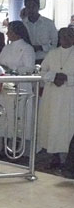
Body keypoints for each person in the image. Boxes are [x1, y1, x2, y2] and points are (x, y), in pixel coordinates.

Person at [38, 27, 74, 169]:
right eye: (63, 36)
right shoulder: (52, 53)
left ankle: (68, 158)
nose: (66, 38)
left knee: (67, 126)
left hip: (69, 97)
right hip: (52, 96)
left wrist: (67, 78)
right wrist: (53, 77)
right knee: (53, 124)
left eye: (70, 35)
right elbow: (41, 71)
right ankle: (55, 155)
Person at [22, 0, 58, 64]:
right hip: (26, 60)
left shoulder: (48, 23)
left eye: (33, 6)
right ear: (25, 8)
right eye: (28, 7)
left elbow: (55, 43)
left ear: (38, 7)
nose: (31, 9)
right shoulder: (22, 24)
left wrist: (41, 47)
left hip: (45, 59)